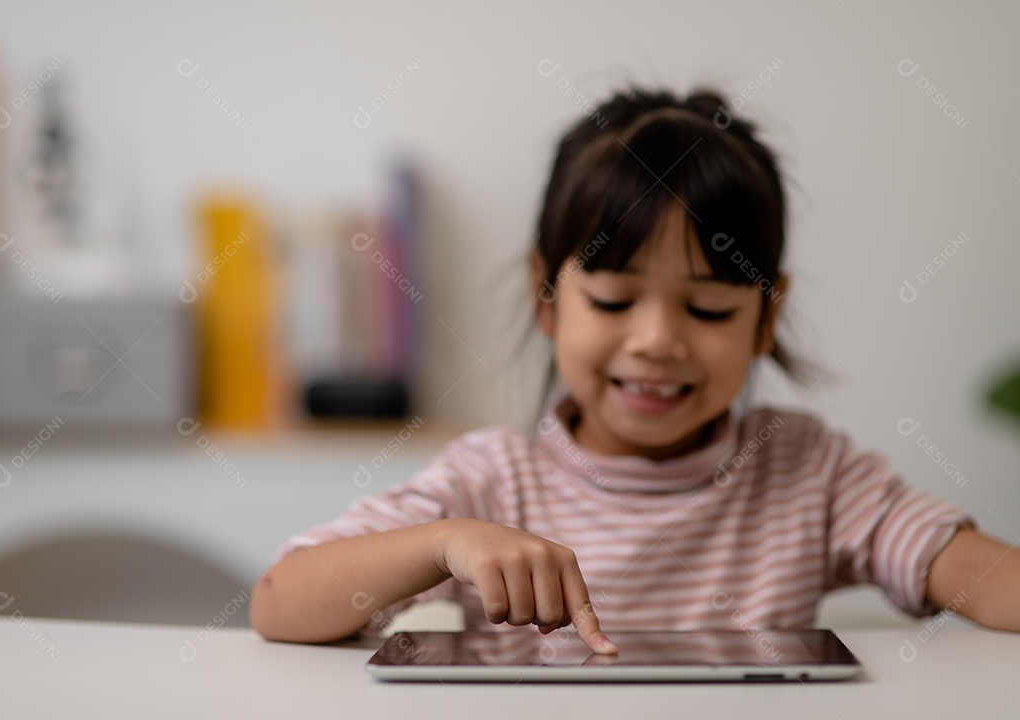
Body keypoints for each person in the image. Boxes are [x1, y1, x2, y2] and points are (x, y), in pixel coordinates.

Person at [250, 87, 1019, 655]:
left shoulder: (809, 472)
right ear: (547, 299)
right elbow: (279, 602)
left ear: (766, 316)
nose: (657, 341)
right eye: (615, 300)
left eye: (710, 309)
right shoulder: (492, 481)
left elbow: (984, 578)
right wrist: (444, 542)